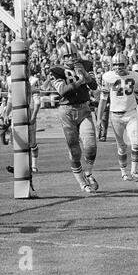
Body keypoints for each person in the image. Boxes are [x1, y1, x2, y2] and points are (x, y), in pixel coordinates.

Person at [50, 41, 99, 193]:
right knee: (75, 150)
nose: (71, 58)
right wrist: (79, 82)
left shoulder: (86, 64)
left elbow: (94, 86)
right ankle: (81, 183)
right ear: (62, 58)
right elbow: (63, 91)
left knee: (91, 145)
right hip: (66, 111)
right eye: (67, 56)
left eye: (73, 55)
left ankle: (88, 172)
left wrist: (84, 74)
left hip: (84, 108)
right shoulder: (56, 70)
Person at [96, 53, 138, 182]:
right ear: (112, 65)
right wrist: (99, 118)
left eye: (121, 64)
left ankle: (134, 171)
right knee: (122, 146)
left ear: (127, 64)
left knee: (136, 144)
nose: (118, 67)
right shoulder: (108, 77)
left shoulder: (135, 76)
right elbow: (103, 99)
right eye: (116, 65)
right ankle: (124, 172)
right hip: (115, 115)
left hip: (131, 113)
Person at [5, 67, 42, 172]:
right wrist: (6, 113)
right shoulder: (10, 79)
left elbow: (37, 102)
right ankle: (20, 165)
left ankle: (33, 165)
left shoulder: (33, 80)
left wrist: (34, 116)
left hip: (26, 114)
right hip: (18, 114)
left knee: (31, 143)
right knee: (17, 140)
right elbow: (10, 98)